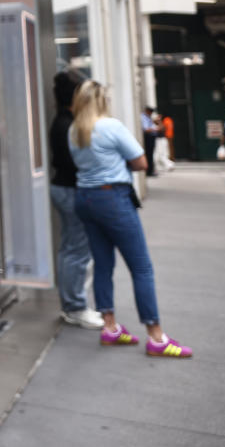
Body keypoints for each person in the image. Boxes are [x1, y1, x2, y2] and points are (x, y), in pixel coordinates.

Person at [69, 81, 192, 358]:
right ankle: (156, 337)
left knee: (102, 265)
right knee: (142, 268)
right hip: (112, 199)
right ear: (102, 101)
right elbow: (141, 163)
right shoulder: (111, 126)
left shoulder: (74, 130)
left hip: (85, 199)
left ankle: (110, 327)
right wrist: (114, 165)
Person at [49, 72, 103, 329]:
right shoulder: (68, 125)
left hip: (65, 189)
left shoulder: (65, 122)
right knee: (76, 251)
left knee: (71, 248)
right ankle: (74, 306)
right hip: (70, 190)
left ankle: (72, 303)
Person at [140, 106, 159, 177]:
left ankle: (151, 170)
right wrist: (156, 129)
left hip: (151, 137)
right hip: (148, 137)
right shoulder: (143, 117)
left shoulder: (148, 117)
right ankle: (149, 171)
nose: (151, 113)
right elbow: (146, 129)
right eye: (150, 111)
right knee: (149, 155)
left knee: (151, 155)